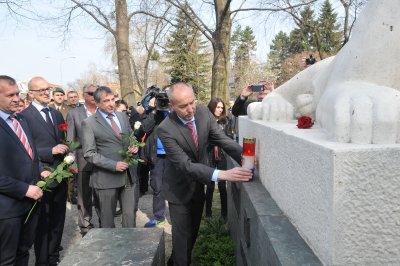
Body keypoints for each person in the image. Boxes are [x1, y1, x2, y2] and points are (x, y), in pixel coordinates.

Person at [157, 82, 252, 266]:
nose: (190, 109)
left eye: (192, 102)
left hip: (198, 186)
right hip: (179, 190)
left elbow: (222, 140)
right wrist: (222, 174)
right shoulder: (165, 128)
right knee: (182, 243)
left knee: (190, 237)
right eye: (183, 106)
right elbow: (185, 165)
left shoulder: (203, 113)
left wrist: (245, 157)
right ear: (172, 106)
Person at [0, 75, 49, 266]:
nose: (16, 99)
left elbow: (31, 154)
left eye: (17, 94)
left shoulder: (21, 119)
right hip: (7, 209)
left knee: (23, 253)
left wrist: (40, 170)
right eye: (10, 95)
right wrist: (23, 189)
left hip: (30, 204)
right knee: (7, 260)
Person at [22, 76, 69, 266]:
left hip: (61, 174)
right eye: (40, 90)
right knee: (43, 222)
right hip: (41, 175)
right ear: (31, 93)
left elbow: (62, 139)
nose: (45, 92)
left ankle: (53, 258)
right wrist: (50, 151)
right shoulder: (25, 116)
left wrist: (68, 152)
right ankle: (42, 261)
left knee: (58, 220)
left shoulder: (56, 114)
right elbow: (26, 148)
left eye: (47, 89)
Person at [81, 86, 139, 228]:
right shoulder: (89, 123)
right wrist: (113, 165)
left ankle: (129, 248)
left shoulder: (122, 116)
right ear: (97, 103)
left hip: (128, 176)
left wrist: (134, 145)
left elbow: (131, 137)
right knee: (107, 222)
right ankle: (110, 250)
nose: (111, 103)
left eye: (113, 99)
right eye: (106, 101)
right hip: (106, 178)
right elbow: (89, 154)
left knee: (130, 217)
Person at [66, 84, 97, 236]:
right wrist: (71, 160)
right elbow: (71, 140)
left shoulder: (103, 110)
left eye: (96, 93)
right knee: (84, 194)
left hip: (103, 159)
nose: (94, 96)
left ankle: (105, 222)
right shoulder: (74, 113)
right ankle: (85, 224)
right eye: (91, 93)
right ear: (84, 95)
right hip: (83, 160)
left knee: (103, 193)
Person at [140, 93, 169, 228]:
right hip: (156, 156)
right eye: (160, 101)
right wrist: (153, 111)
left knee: (176, 186)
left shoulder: (174, 112)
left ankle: (178, 216)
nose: (162, 103)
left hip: (173, 155)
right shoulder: (151, 113)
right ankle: (159, 216)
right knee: (157, 187)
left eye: (165, 101)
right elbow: (144, 129)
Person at [204, 97, 231, 221]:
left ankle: (224, 214)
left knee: (221, 185)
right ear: (212, 107)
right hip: (209, 154)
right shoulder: (206, 121)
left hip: (222, 155)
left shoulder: (225, 121)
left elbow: (228, 138)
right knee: (209, 184)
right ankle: (208, 213)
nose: (220, 110)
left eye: (221, 107)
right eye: (217, 107)